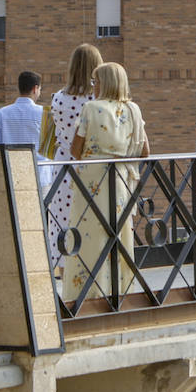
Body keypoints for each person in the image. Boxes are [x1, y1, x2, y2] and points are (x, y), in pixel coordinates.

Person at [62, 62, 149, 304]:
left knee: (89, 235)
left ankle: (88, 293)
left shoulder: (91, 108)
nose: (94, 85)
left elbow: (76, 150)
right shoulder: (134, 109)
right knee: (119, 233)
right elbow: (145, 151)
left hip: (92, 178)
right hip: (121, 178)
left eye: (96, 80)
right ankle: (120, 290)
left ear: (105, 82)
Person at [48, 44, 103, 270]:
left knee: (62, 220)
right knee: (91, 218)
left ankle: (62, 268)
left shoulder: (58, 98)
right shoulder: (96, 99)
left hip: (62, 165)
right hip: (90, 164)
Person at [0, 70, 46, 185]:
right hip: (40, 174)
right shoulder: (45, 113)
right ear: (35, 89)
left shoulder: (1, 114)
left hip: (11, 175)